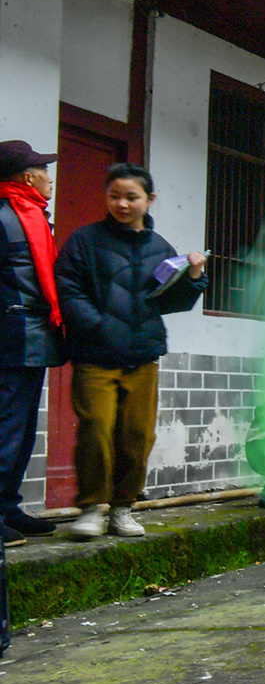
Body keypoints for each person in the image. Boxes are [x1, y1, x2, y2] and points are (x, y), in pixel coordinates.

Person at [58, 165, 207, 539]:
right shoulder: (84, 241)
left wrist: (194, 277)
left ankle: (122, 508)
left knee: (137, 436)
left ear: (149, 199)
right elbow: (68, 289)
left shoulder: (160, 248)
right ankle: (91, 508)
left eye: (131, 197)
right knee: (95, 429)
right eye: (114, 196)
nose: (122, 204)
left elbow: (170, 302)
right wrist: (99, 326)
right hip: (95, 356)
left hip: (143, 356)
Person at [0, 142, 66, 544]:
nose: (50, 178)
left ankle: (8, 507)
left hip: (31, 338)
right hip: (11, 339)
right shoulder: (6, 217)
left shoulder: (31, 216)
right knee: (6, 428)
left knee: (22, 431)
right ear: (28, 177)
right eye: (44, 170)